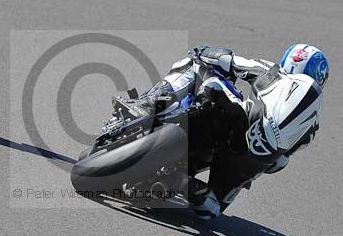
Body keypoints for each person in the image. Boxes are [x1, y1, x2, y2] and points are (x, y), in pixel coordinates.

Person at [112, 44, 328, 219]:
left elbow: (228, 61)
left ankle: (147, 106)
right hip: (239, 168)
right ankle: (193, 189)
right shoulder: (309, 129)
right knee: (210, 209)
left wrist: (203, 52)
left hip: (233, 125)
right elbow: (278, 165)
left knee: (194, 66)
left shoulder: (274, 72)